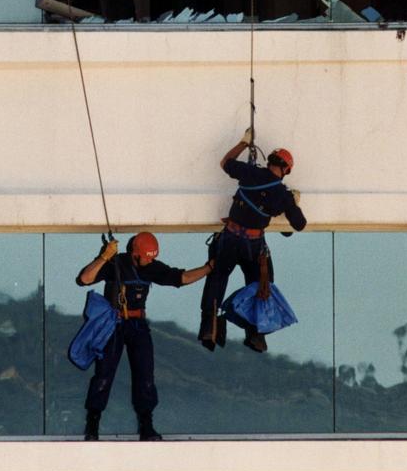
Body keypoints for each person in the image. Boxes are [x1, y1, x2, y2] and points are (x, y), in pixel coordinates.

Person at [76, 231, 212, 441]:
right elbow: (84, 279)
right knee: (104, 375)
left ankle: (146, 426)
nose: (149, 261)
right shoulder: (116, 263)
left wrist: (209, 268)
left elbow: (181, 278)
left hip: (138, 325)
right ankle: (92, 426)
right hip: (114, 324)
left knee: (145, 375)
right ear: (134, 253)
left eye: (152, 257)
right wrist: (104, 256)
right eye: (146, 257)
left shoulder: (152, 267)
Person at [198, 129, 306, 353]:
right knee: (261, 286)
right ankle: (255, 334)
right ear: (286, 169)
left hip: (229, 238)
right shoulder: (282, 194)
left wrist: (243, 143)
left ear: (270, 162)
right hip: (253, 244)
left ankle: (210, 326)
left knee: (217, 278)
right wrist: (293, 201)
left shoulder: (250, 174)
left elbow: (226, 162)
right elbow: (299, 224)